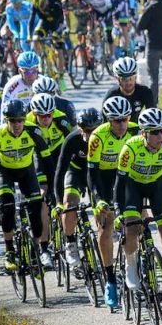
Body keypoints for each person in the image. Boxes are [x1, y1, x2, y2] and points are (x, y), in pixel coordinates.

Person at [117, 108, 162, 313]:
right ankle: (130, 264)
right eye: (154, 132)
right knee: (132, 229)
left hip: (157, 188)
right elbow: (120, 183)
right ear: (144, 133)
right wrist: (120, 212)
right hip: (132, 187)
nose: (160, 136)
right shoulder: (130, 149)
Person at [0, 99, 53, 272]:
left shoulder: (34, 131)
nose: (17, 124)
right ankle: (9, 251)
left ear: (25, 119)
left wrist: (50, 189)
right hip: (4, 172)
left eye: (20, 120)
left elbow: (47, 162)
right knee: (7, 206)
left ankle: (35, 250)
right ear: (6, 121)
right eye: (13, 121)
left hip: (26, 171)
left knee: (36, 209)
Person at [89, 95, 139, 308]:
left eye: (124, 119)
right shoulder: (97, 137)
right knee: (106, 227)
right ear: (108, 120)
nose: (121, 125)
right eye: (116, 120)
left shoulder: (137, 131)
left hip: (127, 179)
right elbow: (92, 173)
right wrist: (100, 200)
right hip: (103, 180)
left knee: (137, 217)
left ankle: (136, 260)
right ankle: (109, 279)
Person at [53, 106, 101, 269]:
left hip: (96, 172)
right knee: (70, 203)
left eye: (95, 130)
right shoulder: (72, 140)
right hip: (76, 171)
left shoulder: (105, 138)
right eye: (87, 131)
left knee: (101, 208)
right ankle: (70, 244)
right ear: (80, 129)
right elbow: (59, 173)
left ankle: (102, 242)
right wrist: (59, 202)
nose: (91, 134)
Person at [1, 50, 41, 116]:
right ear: (20, 71)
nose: (30, 75)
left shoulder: (43, 82)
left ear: (37, 69)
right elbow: (4, 110)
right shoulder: (12, 85)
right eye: (27, 72)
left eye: (33, 71)